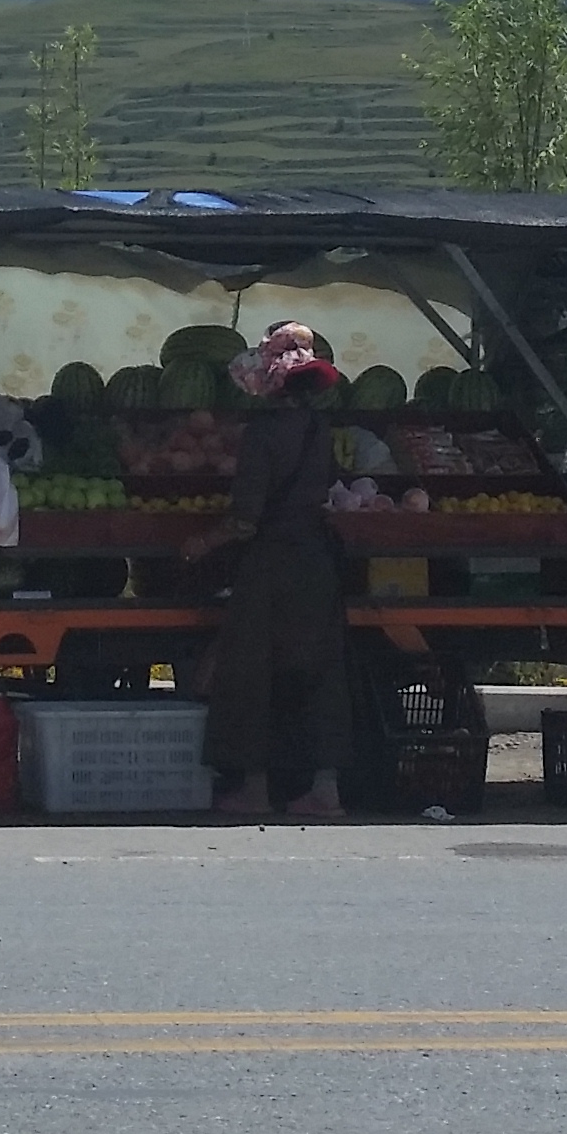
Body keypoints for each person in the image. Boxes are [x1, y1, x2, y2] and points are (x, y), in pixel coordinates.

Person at [193, 319, 351, 819]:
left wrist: (200, 542)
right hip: (316, 564)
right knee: (316, 675)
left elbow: (244, 519)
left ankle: (254, 790)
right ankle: (323, 792)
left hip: (270, 566)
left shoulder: (263, 432)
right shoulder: (320, 429)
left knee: (250, 676)